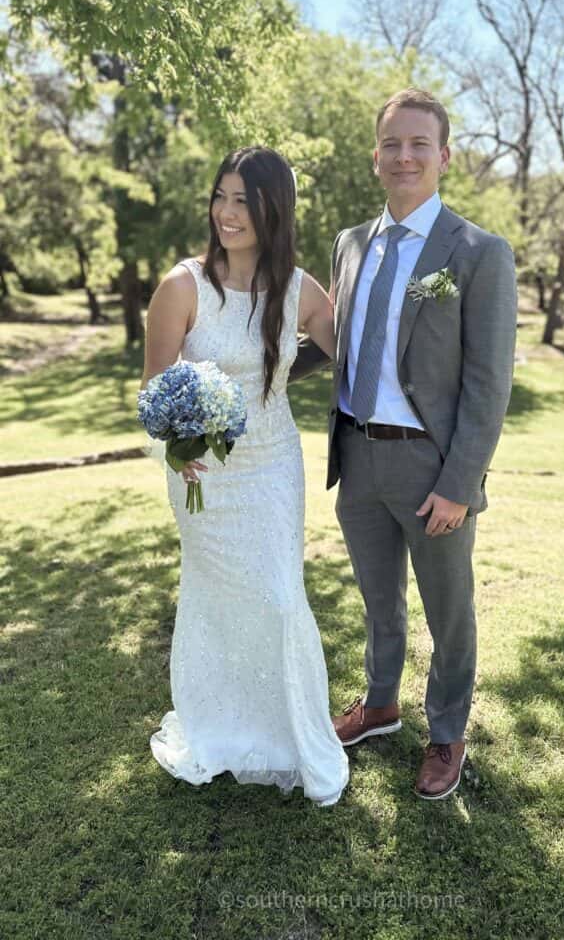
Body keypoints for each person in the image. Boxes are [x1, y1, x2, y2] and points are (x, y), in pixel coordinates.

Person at [319, 89, 517, 799]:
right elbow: (335, 343)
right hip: (358, 455)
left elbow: (489, 384)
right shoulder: (349, 245)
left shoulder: (477, 253)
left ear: (443, 156)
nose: (404, 156)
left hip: (430, 465)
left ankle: (446, 733)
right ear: (375, 156)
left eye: (418, 144)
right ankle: (378, 704)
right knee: (378, 602)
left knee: (448, 611)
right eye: (392, 144)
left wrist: (460, 484)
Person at [141, 146, 349, 807]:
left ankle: (288, 735)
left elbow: (353, 347)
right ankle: (218, 727)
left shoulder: (297, 289)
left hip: (272, 466)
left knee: (281, 598)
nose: (227, 212)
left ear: (273, 209)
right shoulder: (181, 286)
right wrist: (181, 447)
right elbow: (153, 392)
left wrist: (424, 304)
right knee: (219, 598)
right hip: (205, 477)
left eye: (244, 199)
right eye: (220, 196)